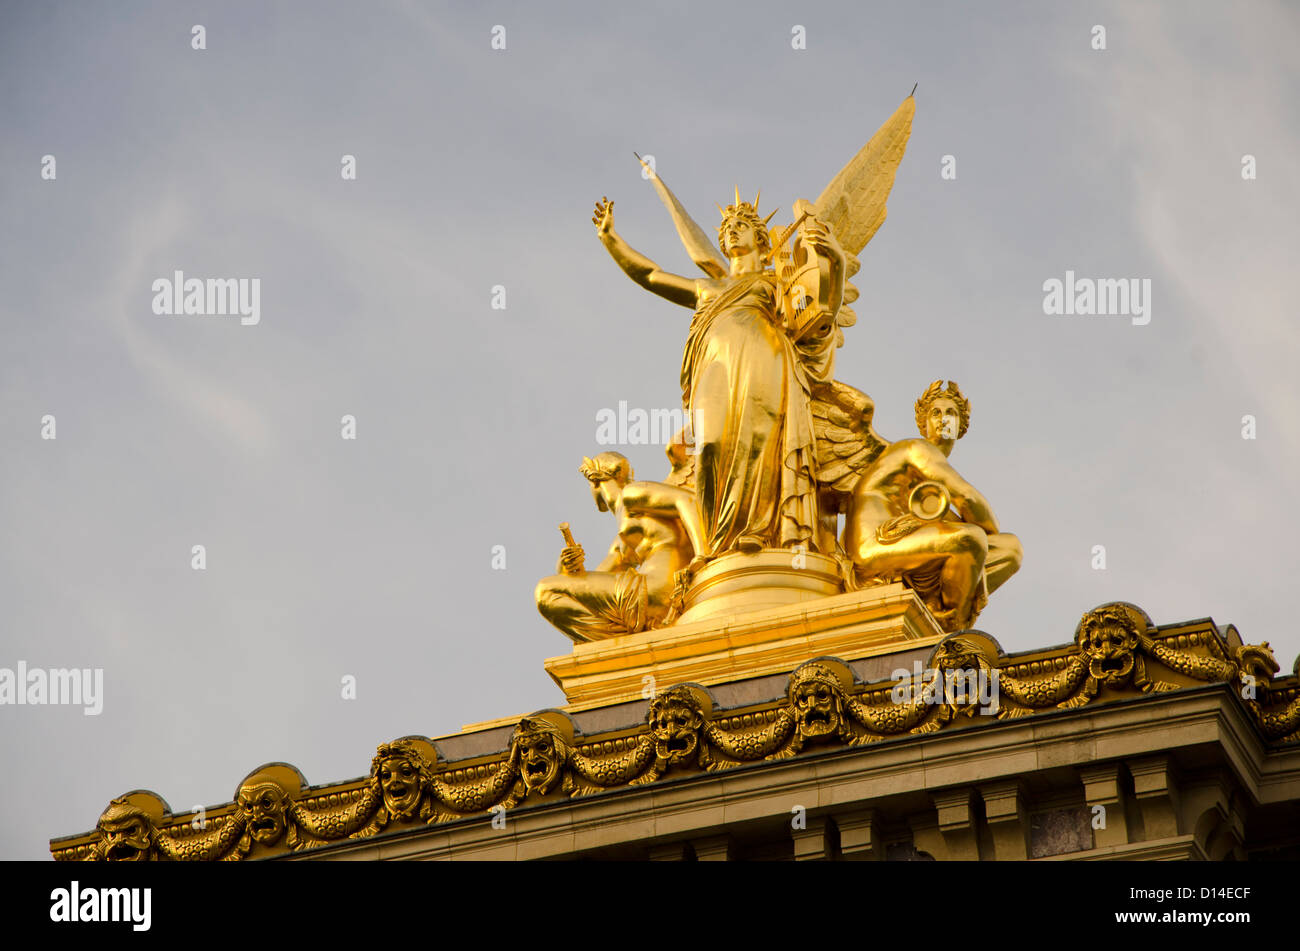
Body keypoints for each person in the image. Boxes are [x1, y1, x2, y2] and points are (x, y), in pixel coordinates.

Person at [592, 193, 844, 558]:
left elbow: (822, 315)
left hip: (765, 360)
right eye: (726, 229)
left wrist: (833, 259)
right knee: (710, 445)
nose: (731, 233)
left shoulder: (777, 283)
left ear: (760, 238)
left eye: (740, 226)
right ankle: (716, 542)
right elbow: (651, 275)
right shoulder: (707, 289)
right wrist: (611, 239)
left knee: (762, 442)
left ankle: (760, 530)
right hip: (714, 368)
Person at [843, 381, 1021, 631]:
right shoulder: (916, 449)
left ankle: (935, 610)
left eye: (951, 413)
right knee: (970, 540)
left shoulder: (932, 488)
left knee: (1010, 549)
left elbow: (987, 527)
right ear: (923, 424)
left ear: (962, 426)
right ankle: (952, 630)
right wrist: (974, 526)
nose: (943, 419)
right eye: (935, 413)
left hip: (904, 542)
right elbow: (970, 500)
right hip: (874, 545)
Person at [535, 452, 702, 642]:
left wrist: (703, 555)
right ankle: (613, 643)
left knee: (546, 591)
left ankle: (610, 640)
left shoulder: (632, 493)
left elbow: (689, 501)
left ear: (594, 481)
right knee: (554, 591)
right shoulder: (623, 539)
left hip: (656, 589)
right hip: (646, 594)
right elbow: (588, 585)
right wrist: (567, 567)